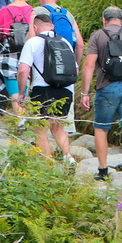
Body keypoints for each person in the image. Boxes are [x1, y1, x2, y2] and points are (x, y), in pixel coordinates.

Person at [79, 6, 122, 181]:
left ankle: (103, 171)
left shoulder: (97, 36)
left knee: (101, 129)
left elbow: (89, 65)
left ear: (104, 20)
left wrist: (84, 93)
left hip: (106, 88)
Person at [16, 13, 76, 164]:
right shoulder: (65, 42)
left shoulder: (33, 42)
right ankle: (69, 158)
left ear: (35, 27)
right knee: (57, 127)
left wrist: (21, 93)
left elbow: (23, 70)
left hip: (43, 90)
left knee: (40, 128)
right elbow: (75, 68)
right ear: (52, 26)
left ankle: (47, 165)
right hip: (66, 89)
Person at [34, 0, 85, 133]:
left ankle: (43, 133)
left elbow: (32, 37)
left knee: (43, 101)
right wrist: (75, 64)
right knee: (66, 97)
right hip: (68, 63)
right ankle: (69, 130)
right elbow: (80, 44)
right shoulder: (67, 14)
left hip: (46, 63)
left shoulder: (37, 12)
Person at [0, 0, 35, 116]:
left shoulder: (5, 10)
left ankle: (20, 119)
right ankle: (25, 117)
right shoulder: (32, 11)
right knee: (25, 86)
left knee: (13, 87)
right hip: (27, 51)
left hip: (10, 51)